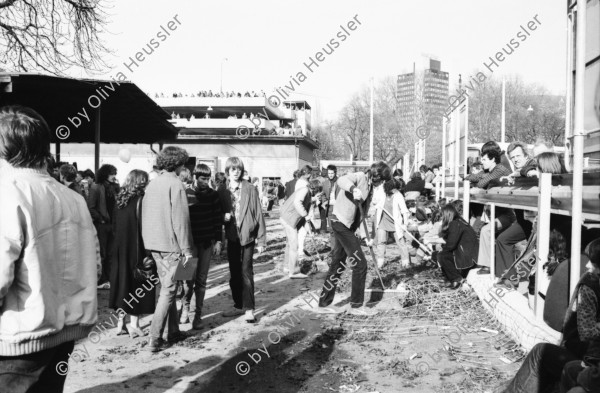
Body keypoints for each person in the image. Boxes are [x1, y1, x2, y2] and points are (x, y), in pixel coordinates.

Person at [0, 105, 99, 392]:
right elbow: (95, 264)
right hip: (63, 331)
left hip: (19, 338)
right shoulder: (73, 198)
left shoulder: (8, 193)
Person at [498, 238, 600, 393]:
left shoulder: (589, 284)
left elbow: (586, 333)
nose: (587, 265)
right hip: (588, 356)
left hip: (588, 358)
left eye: (593, 262)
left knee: (541, 353)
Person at [317, 161, 391, 315]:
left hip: (348, 226)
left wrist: (366, 237)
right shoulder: (360, 177)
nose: (382, 183)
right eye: (382, 180)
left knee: (338, 264)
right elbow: (341, 180)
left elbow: (361, 215)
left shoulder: (370, 189)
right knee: (360, 264)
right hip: (340, 222)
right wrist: (353, 188)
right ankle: (356, 306)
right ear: (376, 176)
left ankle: (324, 303)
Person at [142, 146, 194, 352]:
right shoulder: (176, 184)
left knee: (169, 288)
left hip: (155, 245)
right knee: (170, 290)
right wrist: (187, 249)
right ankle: (154, 337)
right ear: (178, 163)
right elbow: (181, 222)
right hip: (172, 246)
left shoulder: (152, 184)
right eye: (183, 163)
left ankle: (173, 331)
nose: (184, 166)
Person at [109, 169, 155, 339]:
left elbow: (114, 226)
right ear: (141, 182)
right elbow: (145, 227)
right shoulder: (142, 201)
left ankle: (120, 323)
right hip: (137, 250)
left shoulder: (120, 200)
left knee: (123, 284)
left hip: (120, 250)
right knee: (138, 285)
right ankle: (134, 324)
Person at [222, 157, 266, 322]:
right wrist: (222, 218)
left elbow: (258, 214)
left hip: (248, 237)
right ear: (228, 171)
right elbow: (216, 213)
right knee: (234, 273)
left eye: (238, 169)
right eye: (233, 169)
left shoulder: (250, 189)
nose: (236, 172)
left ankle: (249, 308)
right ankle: (238, 305)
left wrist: (261, 240)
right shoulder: (222, 190)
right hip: (232, 237)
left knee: (246, 272)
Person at [182, 164, 223, 329]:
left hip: (206, 243)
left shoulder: (213, 195)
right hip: (188, 246)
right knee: (185, 280)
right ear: (195, 176)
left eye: (208, 179)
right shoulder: (185, 194)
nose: (205, 182)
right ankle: (185, 310)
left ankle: (197, 316)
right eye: (202, 178)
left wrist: (218, 241)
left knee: (201, 281)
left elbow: (217, 220)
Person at [280, 179, 322, 278]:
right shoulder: (305, 190)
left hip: (287, 218)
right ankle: (294, 272)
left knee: (290, 244)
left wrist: (309, 230)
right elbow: (297, 203)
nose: (319, 195)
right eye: (319, 192)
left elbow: (304, 218)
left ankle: (287, 267)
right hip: (289, 219)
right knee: (294, 246)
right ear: (316, 189)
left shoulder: (307, 194)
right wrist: (305, 214)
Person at [88, 163, 120, 289]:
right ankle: (101, 279)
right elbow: (91, 207)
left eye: (114, 173)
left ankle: (109, 278)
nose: (114, 176)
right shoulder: (96, 187)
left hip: (112, 224)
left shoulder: (114, 187)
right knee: (102, 253)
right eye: (112, 173)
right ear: (105, 174)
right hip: (102, 225)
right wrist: (100, 219)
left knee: (111, 253)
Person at [436, 204, 478, 289]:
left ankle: (456, 279)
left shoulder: (454, 224)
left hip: (467, 255)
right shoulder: (460, 221)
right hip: (470, 253)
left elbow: (451, 245)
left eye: (442, 215)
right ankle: (451, 278)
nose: (441, 218)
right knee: (441, 254)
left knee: (442, 255)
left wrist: (442, 247)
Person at [374, 178, 411, 268]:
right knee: (381, 242)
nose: (396, 190)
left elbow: (404, 211)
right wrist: (376, 203)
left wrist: (405, 224)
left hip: (395, 223)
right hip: (383, 220)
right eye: (394, 188)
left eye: (396, 188)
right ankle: (380, 262)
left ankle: (405, 262)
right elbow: (375, 201)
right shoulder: (382, 193)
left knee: (401, 242)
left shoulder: (398, 195)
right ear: (389, 188)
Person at [320, 165, 338, 233]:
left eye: (332, 173)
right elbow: (323, 194)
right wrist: (324, 202)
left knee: (338, 226)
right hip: (329, 207)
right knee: (331, 227)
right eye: (329, 173)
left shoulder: (339, 182)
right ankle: (333, 241)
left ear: (335, 173)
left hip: (338, 207)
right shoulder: (325, 183)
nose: (330, 175)